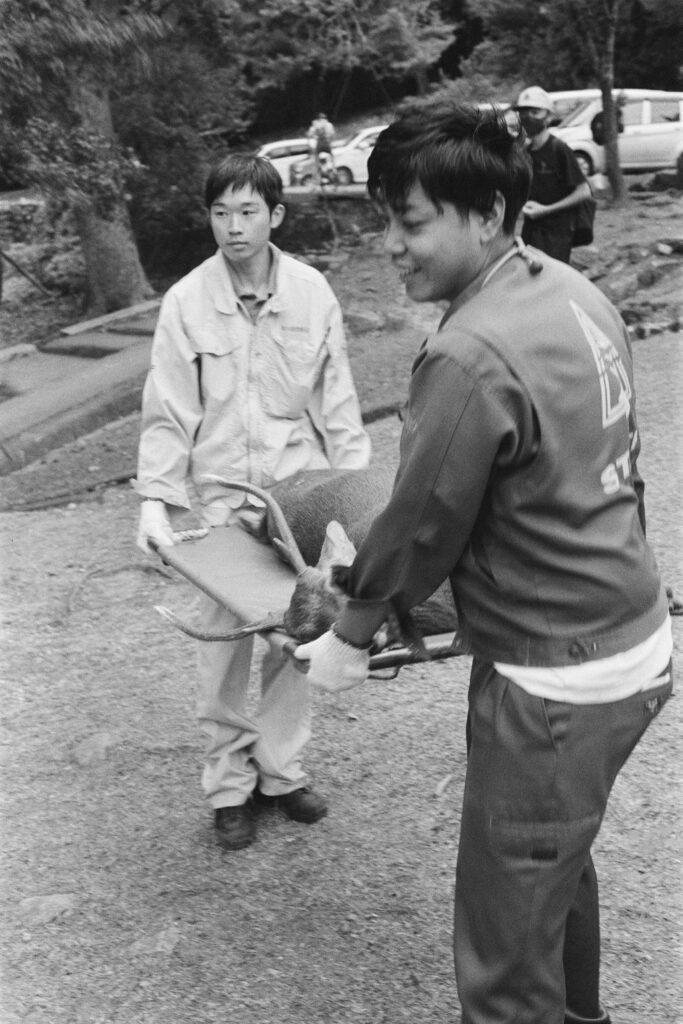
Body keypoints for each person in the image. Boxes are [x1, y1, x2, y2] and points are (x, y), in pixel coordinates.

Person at [293, 101, 674, 1024]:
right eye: (385, 219)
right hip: (630, 637)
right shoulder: (572, 293)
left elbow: (421, 523)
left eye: (411, 221)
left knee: (503, 954)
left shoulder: (466, 354)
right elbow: (604, 469)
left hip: (555, 682)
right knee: (552, 864)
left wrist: (349, 631)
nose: (391, 245)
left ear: (490, 213)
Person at [135, 153, 371, 851]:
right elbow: (166, 410)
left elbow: (338, 404)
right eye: (220, 212)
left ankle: (280, 772)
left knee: (295, 640)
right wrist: (155, 500)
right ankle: (228, 787)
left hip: (296, 501)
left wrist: (356, 508)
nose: (233, 227)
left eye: (247, 212)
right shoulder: (186, 301)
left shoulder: (312, 293)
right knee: (222, 656)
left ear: (276, 215)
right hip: (219, 506)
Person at [515, 85, 592, 262]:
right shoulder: (524, 152)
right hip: (531, 230)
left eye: (535, 112)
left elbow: (583, 192)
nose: (528, 117)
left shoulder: (559, 150)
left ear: (548, 117)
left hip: (557, 234)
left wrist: (545, 210)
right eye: (524, 113)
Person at [307, 112, 336, 184]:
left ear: (318, 118)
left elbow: (310, 134)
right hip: (327, 143)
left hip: (319, 144)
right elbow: (332, 134)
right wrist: (330, 140)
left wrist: (315, 137)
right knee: (332, 157)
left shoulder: (315, 124)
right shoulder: (329, 124)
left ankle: (317, 174)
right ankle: (334, 170)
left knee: (316, 160)